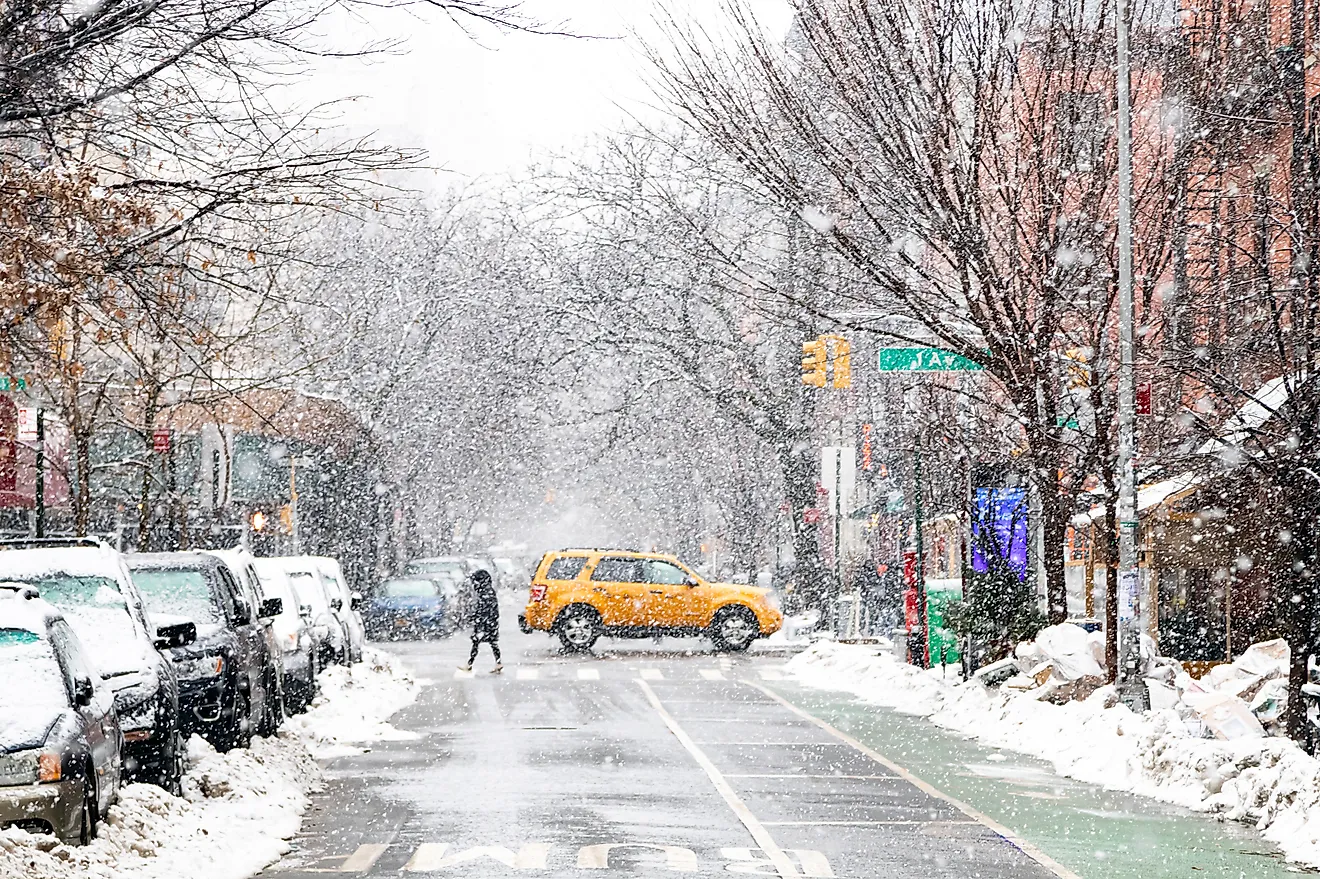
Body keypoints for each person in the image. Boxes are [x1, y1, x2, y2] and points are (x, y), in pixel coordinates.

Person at [459, 569, 502, 674]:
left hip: (485, 622)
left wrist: (476, 617)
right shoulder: (489, 590)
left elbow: (482, 608)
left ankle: (469, 664)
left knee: (477, 642)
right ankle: (498, 662)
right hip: (490, 621)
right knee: (492, 643)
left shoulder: (485, 592)